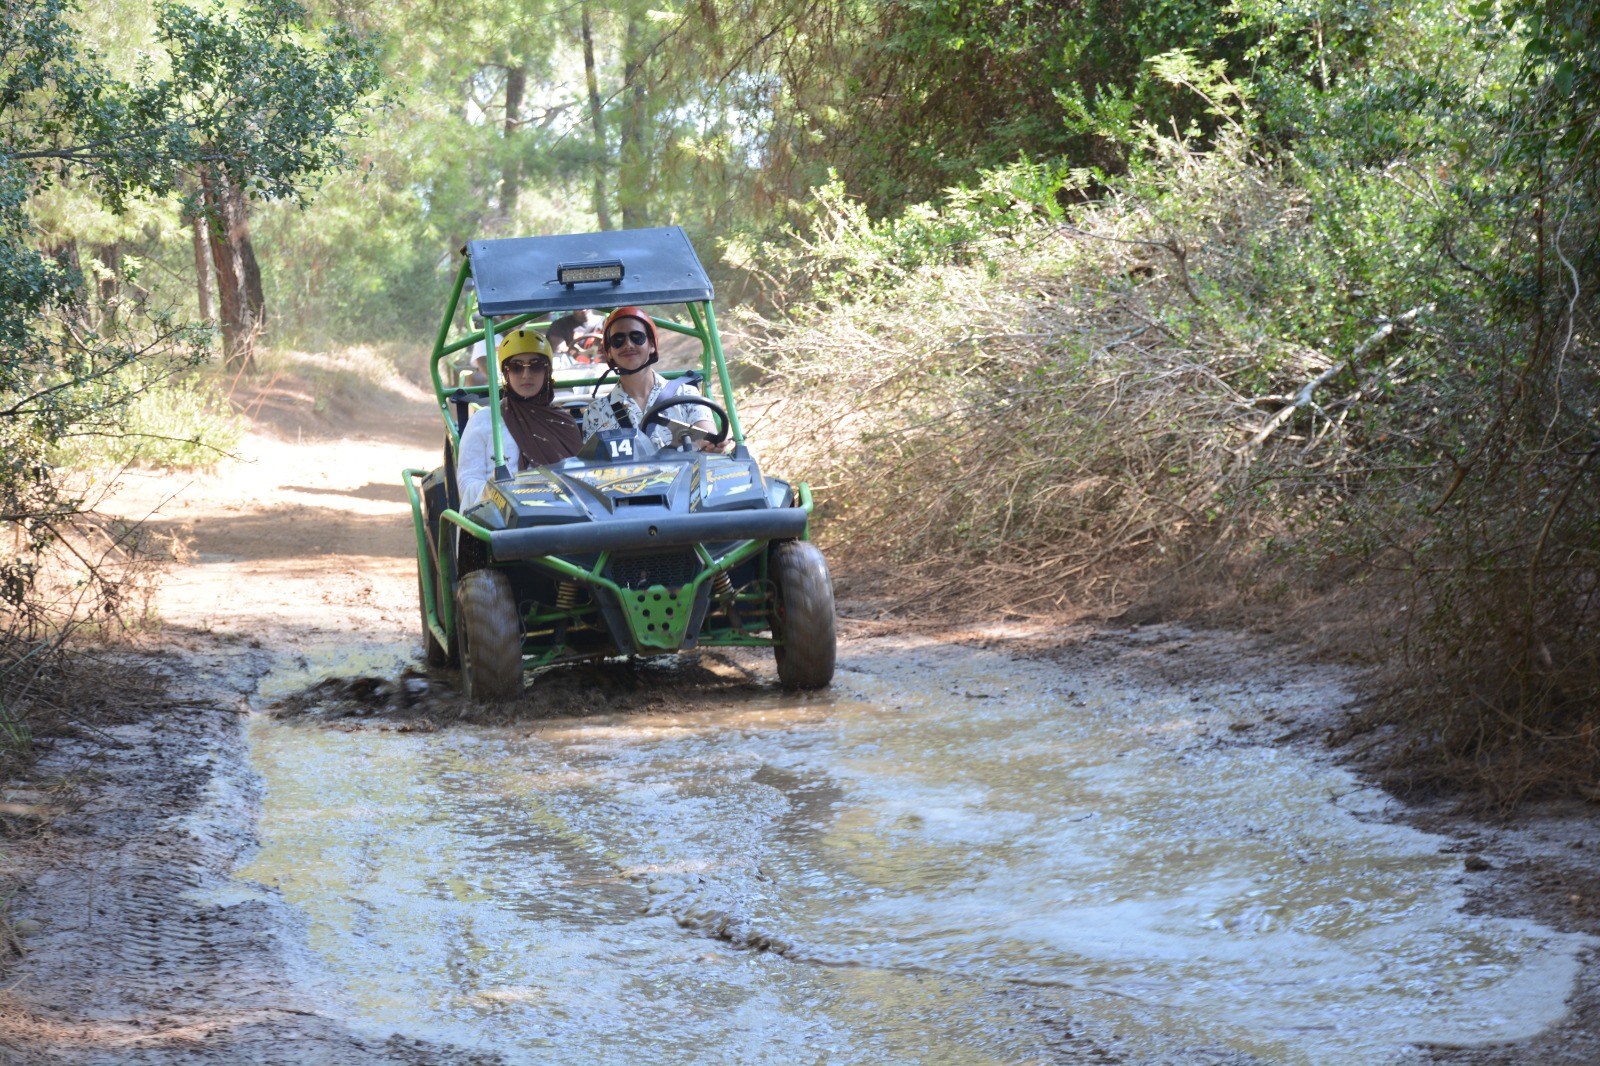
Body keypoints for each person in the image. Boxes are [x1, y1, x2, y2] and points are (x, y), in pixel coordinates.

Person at [457, 329, 582, 505]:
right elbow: (466, 483)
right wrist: (496, 489)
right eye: (516, 367)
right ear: (506, 374)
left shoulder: (564, 424)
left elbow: (581, 483)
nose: (526, 375)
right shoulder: (484, 421)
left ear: (547, 371)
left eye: (536, 366)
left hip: (564, 517)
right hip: (501, 520)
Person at [580, 307, 723, 451]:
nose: (628, 345)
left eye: (637, 337)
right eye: (618, 340)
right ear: (609, 352)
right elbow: (595, 467)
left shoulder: (687, 395)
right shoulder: (596, 413)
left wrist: (711, 446)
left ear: (652, 345)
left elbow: (709, 441)